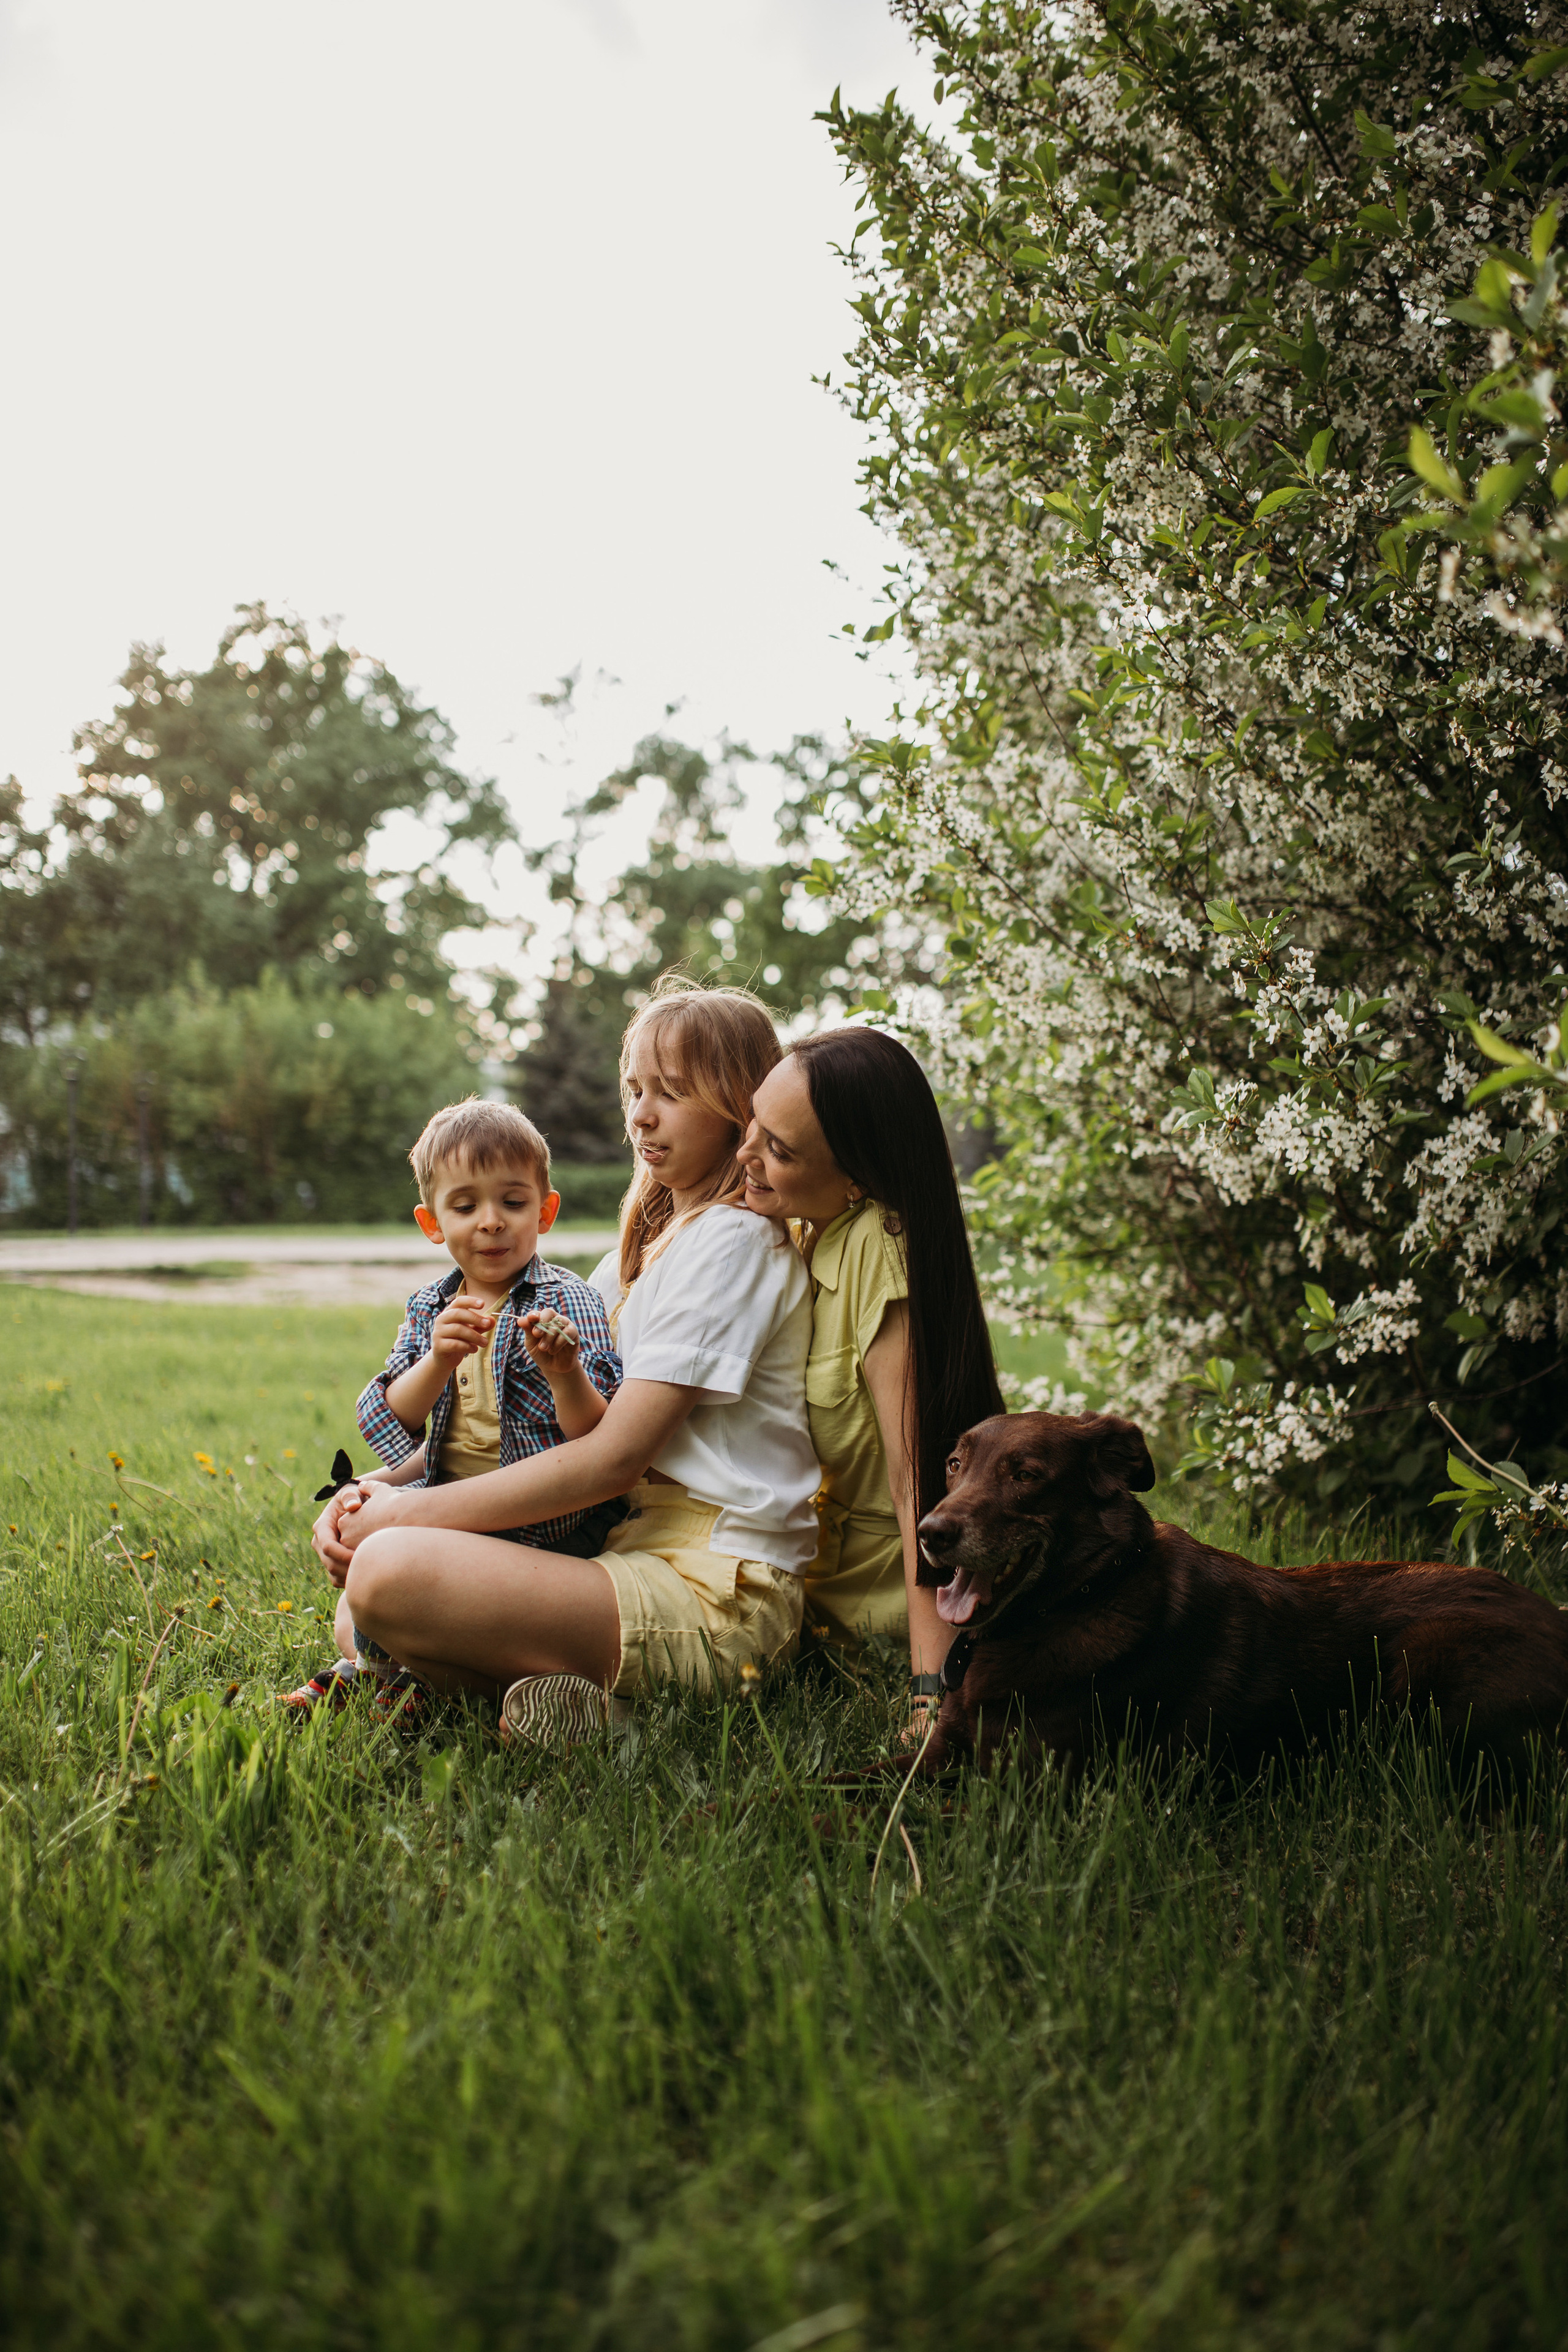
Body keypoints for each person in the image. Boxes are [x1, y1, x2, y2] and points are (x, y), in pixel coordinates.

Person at [311, 979, 820, 1747]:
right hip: (625, 1549)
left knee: (387, 1575)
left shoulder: (734, 1242)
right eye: (635, 1089)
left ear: (740, 1109)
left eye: (672, 1092)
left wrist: (404, 1517)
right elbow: (509, 1426)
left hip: (718, 1585)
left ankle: (611, 1722)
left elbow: (611, 1459)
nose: (641, 1114)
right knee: (362, 1604)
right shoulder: (635, 1259)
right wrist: (367, 1492)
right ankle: (585, 1711)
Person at [281, 1098, 622, 1717]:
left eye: (512, 1203)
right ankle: (397, 1676)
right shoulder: (428, 1309)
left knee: (378, 1593)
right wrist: (436, 1361)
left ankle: (378, 1677)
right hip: (447, 1511)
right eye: (465, 1206)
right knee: (354, 1594)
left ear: (545, 1212)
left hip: (546, 1533)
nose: (490, 1222)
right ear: (431, 1222)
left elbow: (598, 1440)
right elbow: (388, 1422)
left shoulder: (568, 1301)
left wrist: (565, 1374)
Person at [736, 1026, 1003, 1745]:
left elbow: (919, 1478)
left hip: (868, 1625)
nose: (746, 1156)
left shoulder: (876, 1249)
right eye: (753, 1126)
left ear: (856, 1176)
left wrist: (931, 1694)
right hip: (801, 1594)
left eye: (779, 1151)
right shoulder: (807, 1228)